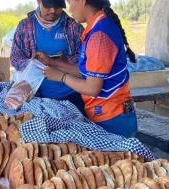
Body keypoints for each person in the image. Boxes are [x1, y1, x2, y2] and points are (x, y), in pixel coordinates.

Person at [37, 0, 138, 138]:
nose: (70, 9)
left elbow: (92, 88)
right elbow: (86, 72)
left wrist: (61, 77)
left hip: (112, 118)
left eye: (70, 2)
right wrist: (51, 62)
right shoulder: (98, 28)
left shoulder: (99, 36)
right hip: (109, 115)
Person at [11, 0, 85, 112]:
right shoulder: (25, 26)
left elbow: (86, 64)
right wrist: (33, 63)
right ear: (38, 1)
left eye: (58, 6)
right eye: (48, 6)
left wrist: (58, 61)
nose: (53, 11)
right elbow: (15, 58)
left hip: (71, 95)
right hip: (34, 97)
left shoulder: (74, 27)